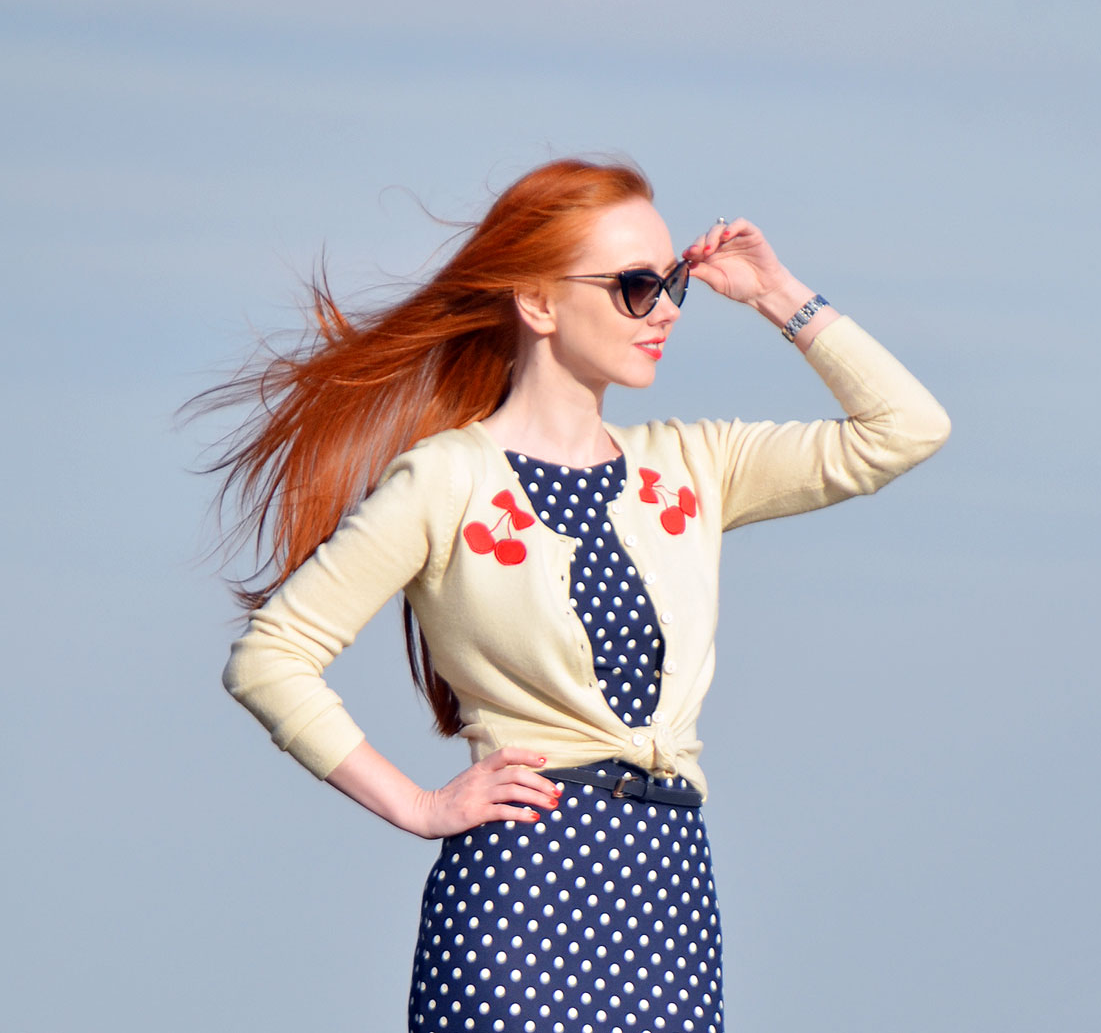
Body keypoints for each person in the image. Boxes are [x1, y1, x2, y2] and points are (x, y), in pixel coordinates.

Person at [208, 157, 949, 1033]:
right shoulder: (447, 480)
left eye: (672, 282)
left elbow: (907, 428)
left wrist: (776, 293)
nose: (667, 309)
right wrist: (418, 806)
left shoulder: (694, 465)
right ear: (538, 302)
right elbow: (271, 659)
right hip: (519, 899)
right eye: (636, 285)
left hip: (670, 897)